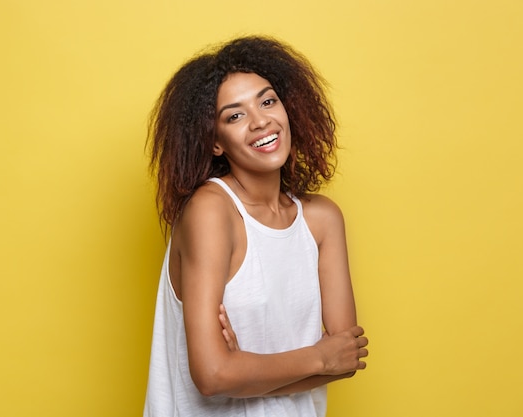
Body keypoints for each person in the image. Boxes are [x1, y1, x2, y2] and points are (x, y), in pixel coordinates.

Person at [143, 36, 368, 417]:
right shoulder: (210, 212)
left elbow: (345, 359)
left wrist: (245, 369)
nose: (261, 121)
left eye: (267, 101)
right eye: (235, 115)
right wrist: (317, 357)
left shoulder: (322, 220)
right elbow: (213, 376)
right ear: (215, 143)